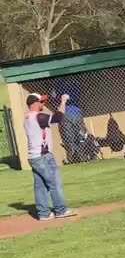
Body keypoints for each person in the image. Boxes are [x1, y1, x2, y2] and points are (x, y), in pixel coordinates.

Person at [24, 93, 76, 221]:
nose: (43, 104)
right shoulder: (38, 117)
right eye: (41, 102)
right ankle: (61, 210)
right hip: (43, 156)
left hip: (33, 157)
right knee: (55, 184)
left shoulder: (26, 117)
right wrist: (63, 101)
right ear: (35, 103)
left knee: (40, 186)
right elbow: (58, 117)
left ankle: (44, 213)